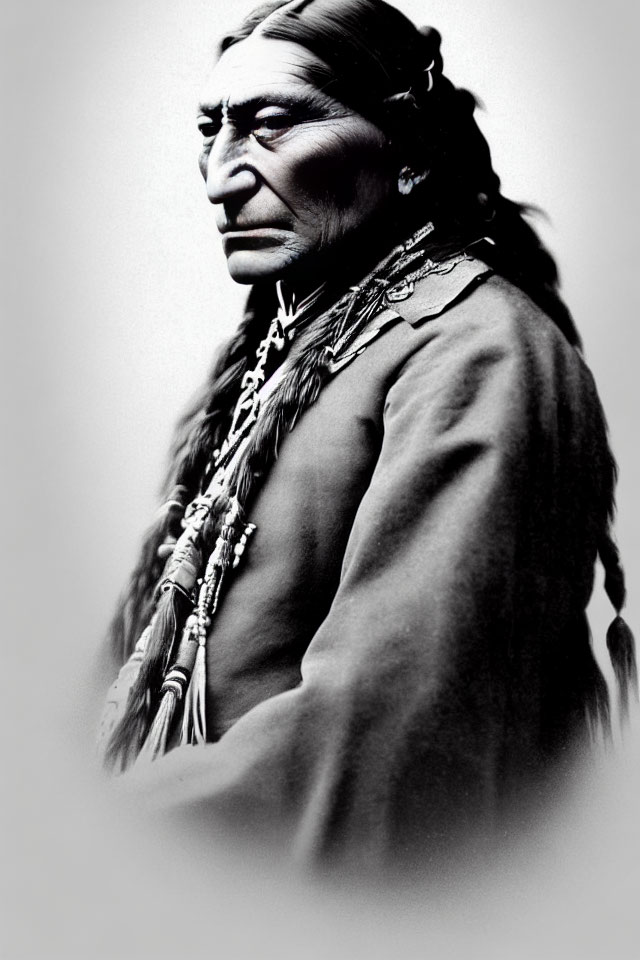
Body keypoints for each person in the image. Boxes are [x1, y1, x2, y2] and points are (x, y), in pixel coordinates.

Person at [97, 0, 636, 869]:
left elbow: (383, 735)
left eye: (270, 126)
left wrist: (91, 840)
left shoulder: (479, 351)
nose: (220, 177)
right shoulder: (282, 351)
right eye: (213, 130)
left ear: (410, 154)